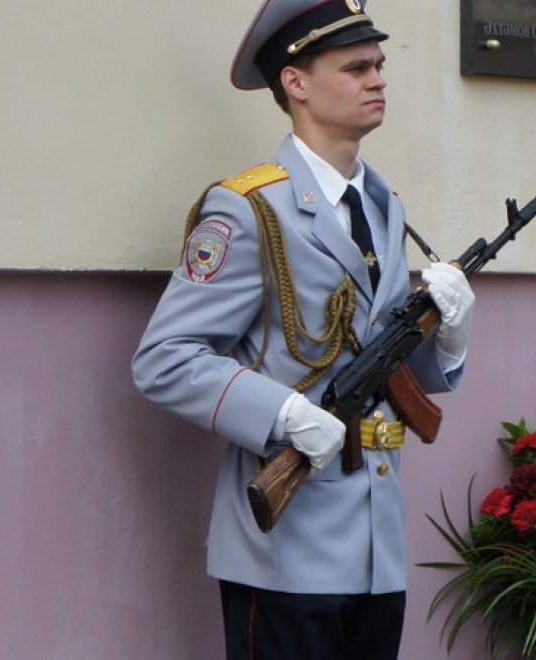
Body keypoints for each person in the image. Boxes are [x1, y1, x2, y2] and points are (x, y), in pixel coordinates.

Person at [131, 2, 474, 658]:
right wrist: (283, 411)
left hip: (376, 548)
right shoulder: (249, 207)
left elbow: (391, 365)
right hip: (285, 550)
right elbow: (164, 359)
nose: (377, 78)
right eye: (354, 67)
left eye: (378, 64)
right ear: (296, 84)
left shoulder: (381, 205)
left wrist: (451, 337)